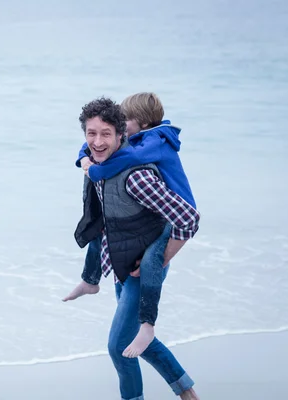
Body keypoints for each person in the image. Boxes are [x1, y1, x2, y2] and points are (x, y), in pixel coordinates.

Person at [73, 97, 200, 400]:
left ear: (122, 135)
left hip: (143, 266)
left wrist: (159, 259)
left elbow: (188, 218)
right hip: (121, 265)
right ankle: (189, 395)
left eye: (106, 134)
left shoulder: (136, 175)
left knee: (119, 348)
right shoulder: (102, 161)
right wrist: (86, 161)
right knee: (136, 341)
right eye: (92, 134)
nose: (98, 141)